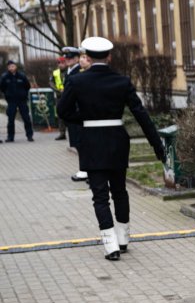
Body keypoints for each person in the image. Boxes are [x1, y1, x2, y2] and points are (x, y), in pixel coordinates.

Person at [57, 37, 166, 261]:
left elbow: (62, 111)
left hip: (91, 141)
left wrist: (84, 119)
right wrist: (157, 145)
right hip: (117, 140)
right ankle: (124, 239)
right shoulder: (122, 81)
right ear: (109, 56)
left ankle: (110, 246)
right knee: (120, 191)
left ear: (86, 55)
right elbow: (141, 115)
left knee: (99, 196)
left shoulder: (78, 81)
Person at [62, 47, 87, 181]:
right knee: (77, 142)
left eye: (70, 58)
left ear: (77, 58)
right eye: (66, 58)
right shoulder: (70, 71)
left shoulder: (78, 71)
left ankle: (84, 170)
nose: (67, 60)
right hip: (72, 112)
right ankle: (84, 169)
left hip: (77, 112)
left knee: (81, 142)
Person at [0, 61, 34, 142]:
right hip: (11, 101)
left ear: (16, 66)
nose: (12, 68)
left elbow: (27, 86)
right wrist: (7, 94)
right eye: (10, 66)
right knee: (11, 119)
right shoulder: (5, 77)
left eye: (13, 66)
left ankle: (29, 135)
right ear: (8, 68)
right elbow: (2, 87)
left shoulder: (21, 76)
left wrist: (23, 94)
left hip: (22, 100)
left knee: (26, 118)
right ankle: (10, 137)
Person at [51, 56, 67, 140]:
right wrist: (57, 90)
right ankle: (62, 133)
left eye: (62, 63)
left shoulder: (69, 71)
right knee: (60, 114)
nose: (60, 65)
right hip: (59, 96)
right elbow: (51, 83)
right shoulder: (55, 72)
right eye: (59, 63)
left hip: (69, 95)